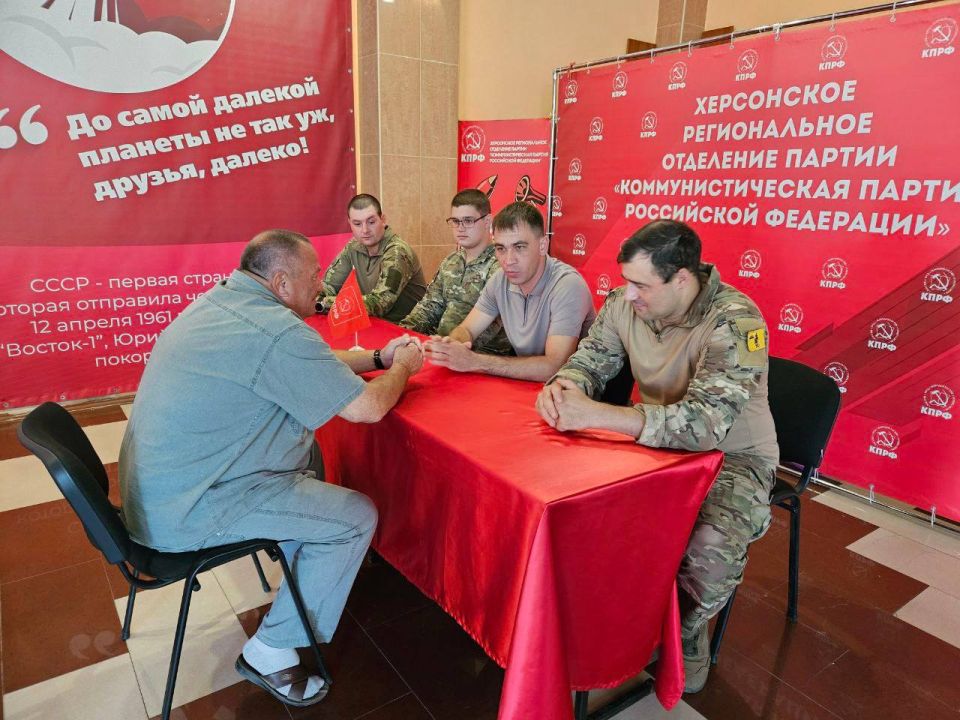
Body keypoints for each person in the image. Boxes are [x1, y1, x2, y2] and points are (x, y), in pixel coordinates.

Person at [119, 229, 424, 708]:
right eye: (313, 276)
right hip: (192, 509)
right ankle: (270, 650)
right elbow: (367, 409)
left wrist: (376, 356)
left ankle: (305, 569)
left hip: (162, 493)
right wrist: (402, 367)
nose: (321, 286)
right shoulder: (275, 331)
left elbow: (309, 363)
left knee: (307, 460)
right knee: (355, 517)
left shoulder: (223, 304)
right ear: (281, 282)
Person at [534, 219, 778, 693]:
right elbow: (590, 359)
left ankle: (684, 636)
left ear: (682, 279)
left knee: (709, 546)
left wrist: (600, 416)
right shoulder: (626, 306)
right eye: (627, 282)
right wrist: (565, 389)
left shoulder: (736, 321)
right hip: (650, 444)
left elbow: (706, 425)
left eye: (641, 285)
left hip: (733, 457)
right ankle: (614, 624)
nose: (629, 295)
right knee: (577, 508)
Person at [426, 202, 595, 382]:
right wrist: (452, 345)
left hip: (579, 394)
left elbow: (554, 366)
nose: (508, 260)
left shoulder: (567, 285)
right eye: (501, 248)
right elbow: (467, 329)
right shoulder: (500, 280)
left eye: (519, 247)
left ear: (543, 245)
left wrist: (475, 361)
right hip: (529, 386)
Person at [399, 189, 512, 355]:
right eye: (455, 221)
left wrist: (450, 347)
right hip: (441, 348)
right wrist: (403, 333)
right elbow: (429, 307)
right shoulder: (451, 261)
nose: (460, 228)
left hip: (482, 357)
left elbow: (492, 325)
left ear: (488, 221)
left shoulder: (501, 265)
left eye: (468, 221)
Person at [317, 194, 427, 322]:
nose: (365, 230)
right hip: (373, 324)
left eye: (371, 222)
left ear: (383, 220)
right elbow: (328, 287)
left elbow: (380, 303)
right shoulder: (353, 247)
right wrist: (315, 296)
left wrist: (323, 303)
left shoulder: (397, 251)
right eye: (357, 224)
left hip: (406, 330)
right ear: (350, 224)